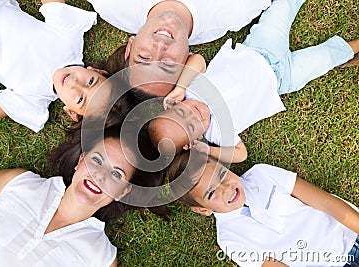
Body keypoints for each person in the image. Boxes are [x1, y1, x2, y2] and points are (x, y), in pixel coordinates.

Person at [148, 0, 359, 163]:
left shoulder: (192, 91)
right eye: (192, 126)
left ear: (174, 104)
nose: (194, 114)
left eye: (182, 112)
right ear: (194, 141)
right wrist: (208, 150)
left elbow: (199, 61)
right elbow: (241, 154)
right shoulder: (219, 132)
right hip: (284, 78)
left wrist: (179, 88)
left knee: (283, 8)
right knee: (327, 58)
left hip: (260, 46)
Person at [0, 124, 164, 266]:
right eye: (97, 160)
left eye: (115, 174)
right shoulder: (15, 183)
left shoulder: (100, 258)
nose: (99, 176)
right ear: (81, 160)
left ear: (124, 191)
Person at [167, 151, 359, 266]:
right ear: (202, 210)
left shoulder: (261, 174)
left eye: (222, 174)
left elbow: (327, 202)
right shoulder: (229, 239)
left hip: (350, 235)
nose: (226, 189)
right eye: (211, 193)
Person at [0, 0, 117, 132]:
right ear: (96, 71)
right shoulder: (70, 38)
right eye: (91, 82)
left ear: (71, 112)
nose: (75, 84)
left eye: (80, 99)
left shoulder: (33, 101)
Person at [87, 0, 272, 99]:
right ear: (187, 60)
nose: (159, 46)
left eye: (143, 57)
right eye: (167, 63)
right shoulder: (236, 9)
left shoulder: (111, 4)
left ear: (130, 47)